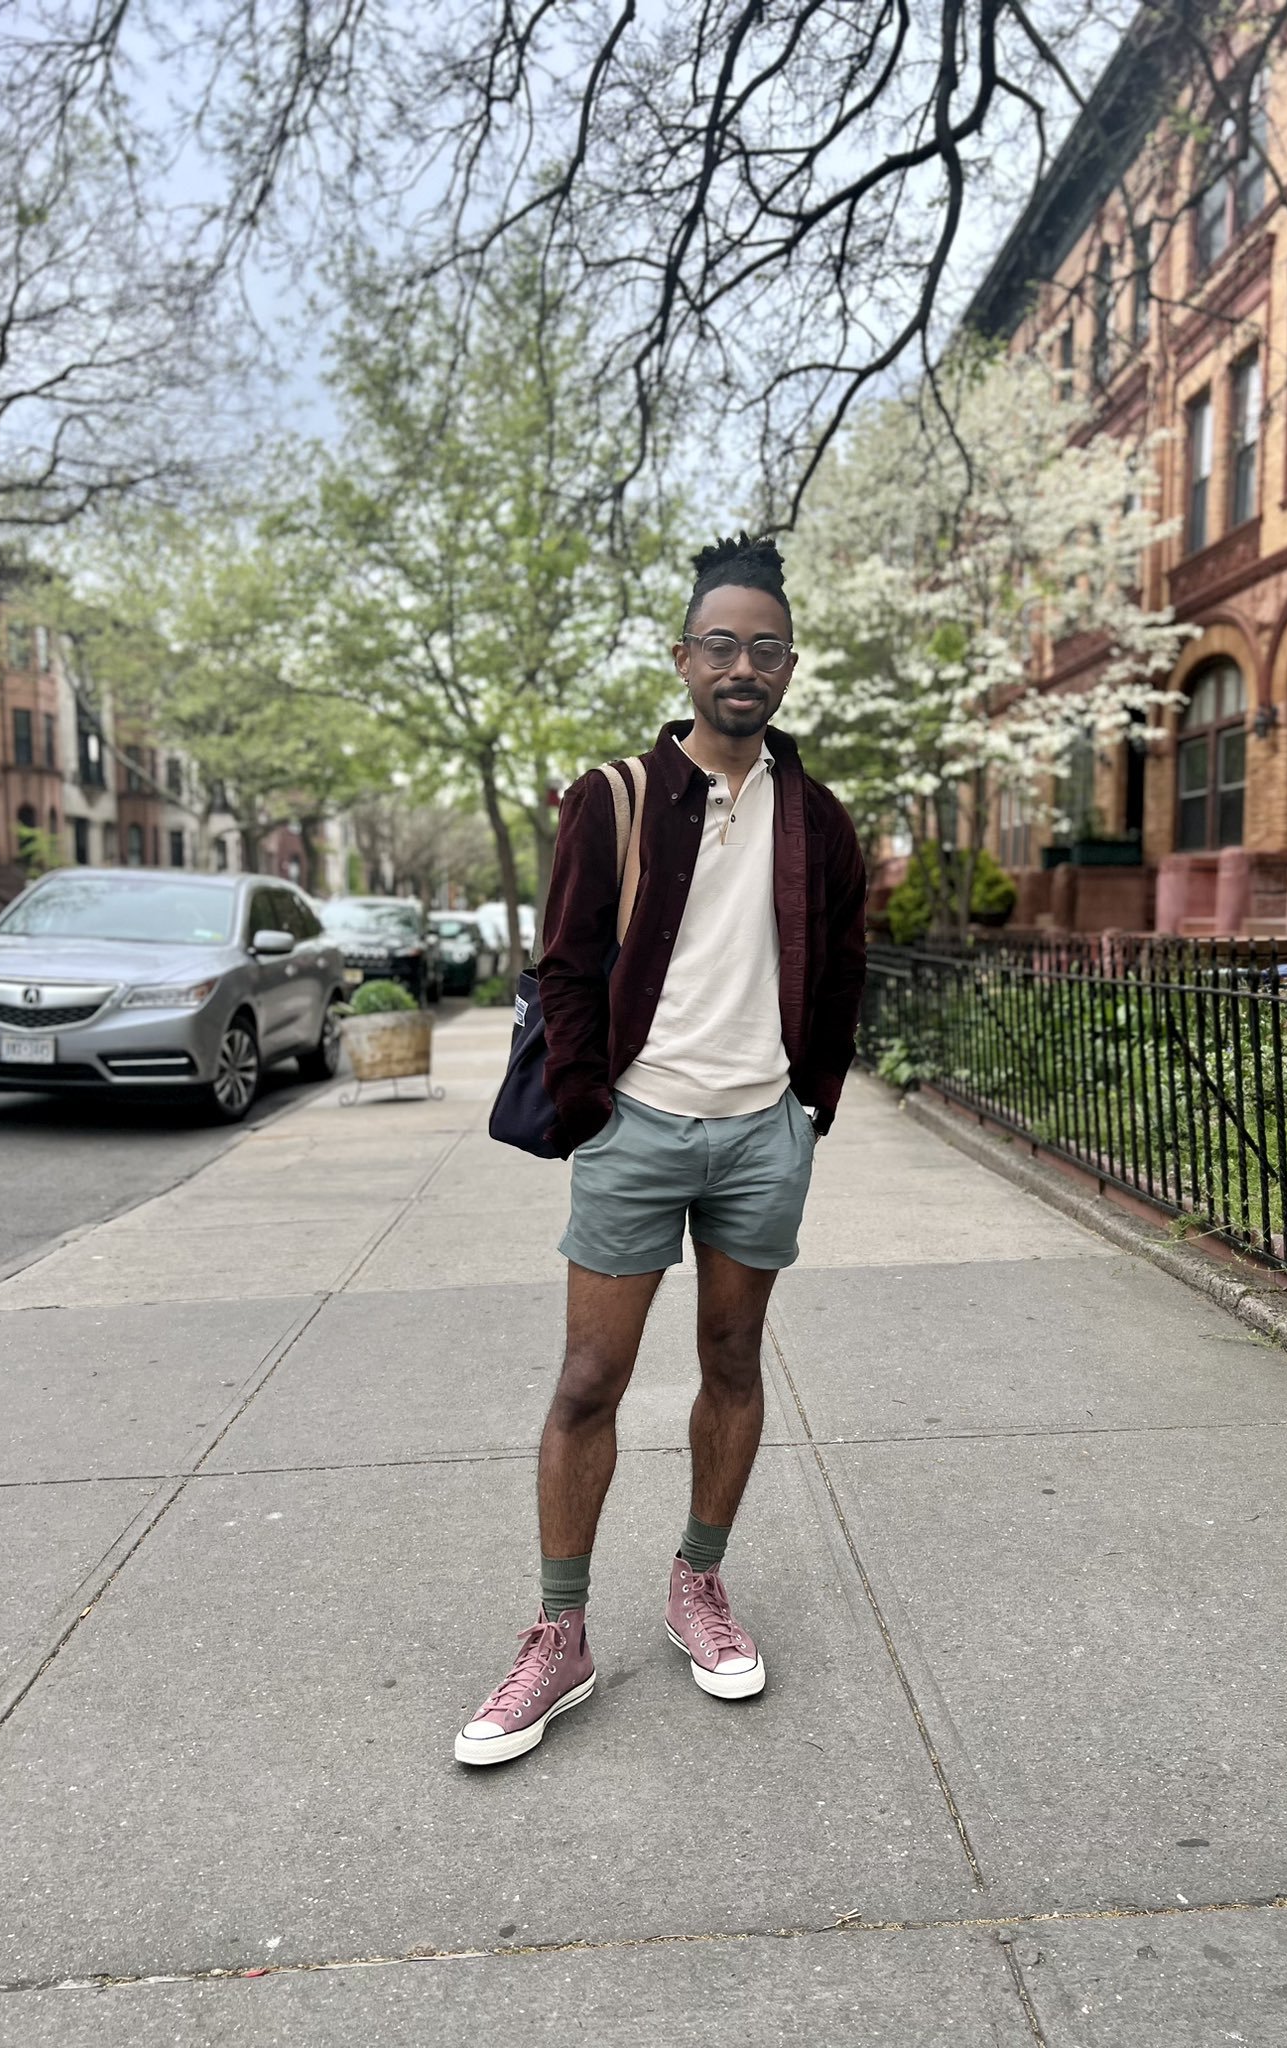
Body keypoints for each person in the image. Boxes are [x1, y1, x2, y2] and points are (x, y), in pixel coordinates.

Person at [455, 532, 868, 1765]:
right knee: (590, 1377)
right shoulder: (616, 796)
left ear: (790, 665)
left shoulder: (818, 819)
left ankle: (699, 1580)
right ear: (684, 658)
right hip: (636, 1128)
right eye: (721, 645)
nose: (744, 666)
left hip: (761, 1132)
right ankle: (560, 1632)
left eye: (766, 648)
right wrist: (592, 1103)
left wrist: (810, 1104)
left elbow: (842, 969)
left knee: (733, 1360)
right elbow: (566, 962)